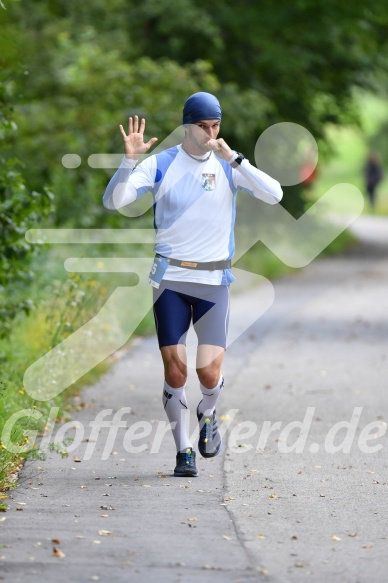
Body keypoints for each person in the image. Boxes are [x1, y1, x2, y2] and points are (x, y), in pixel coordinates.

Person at [103, 92, 283, 477]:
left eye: (216, 125)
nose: (210, 132)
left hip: (214, 280)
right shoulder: (161, 164)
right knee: (176, 372)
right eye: (203, 126)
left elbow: (275, 194)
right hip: (169, 279)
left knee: (207, 374)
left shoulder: (228, 166)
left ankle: (208, 410)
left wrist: (235, 159)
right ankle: (183, 450)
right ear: (187, 125)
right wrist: (128, 162)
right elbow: (115, 201)